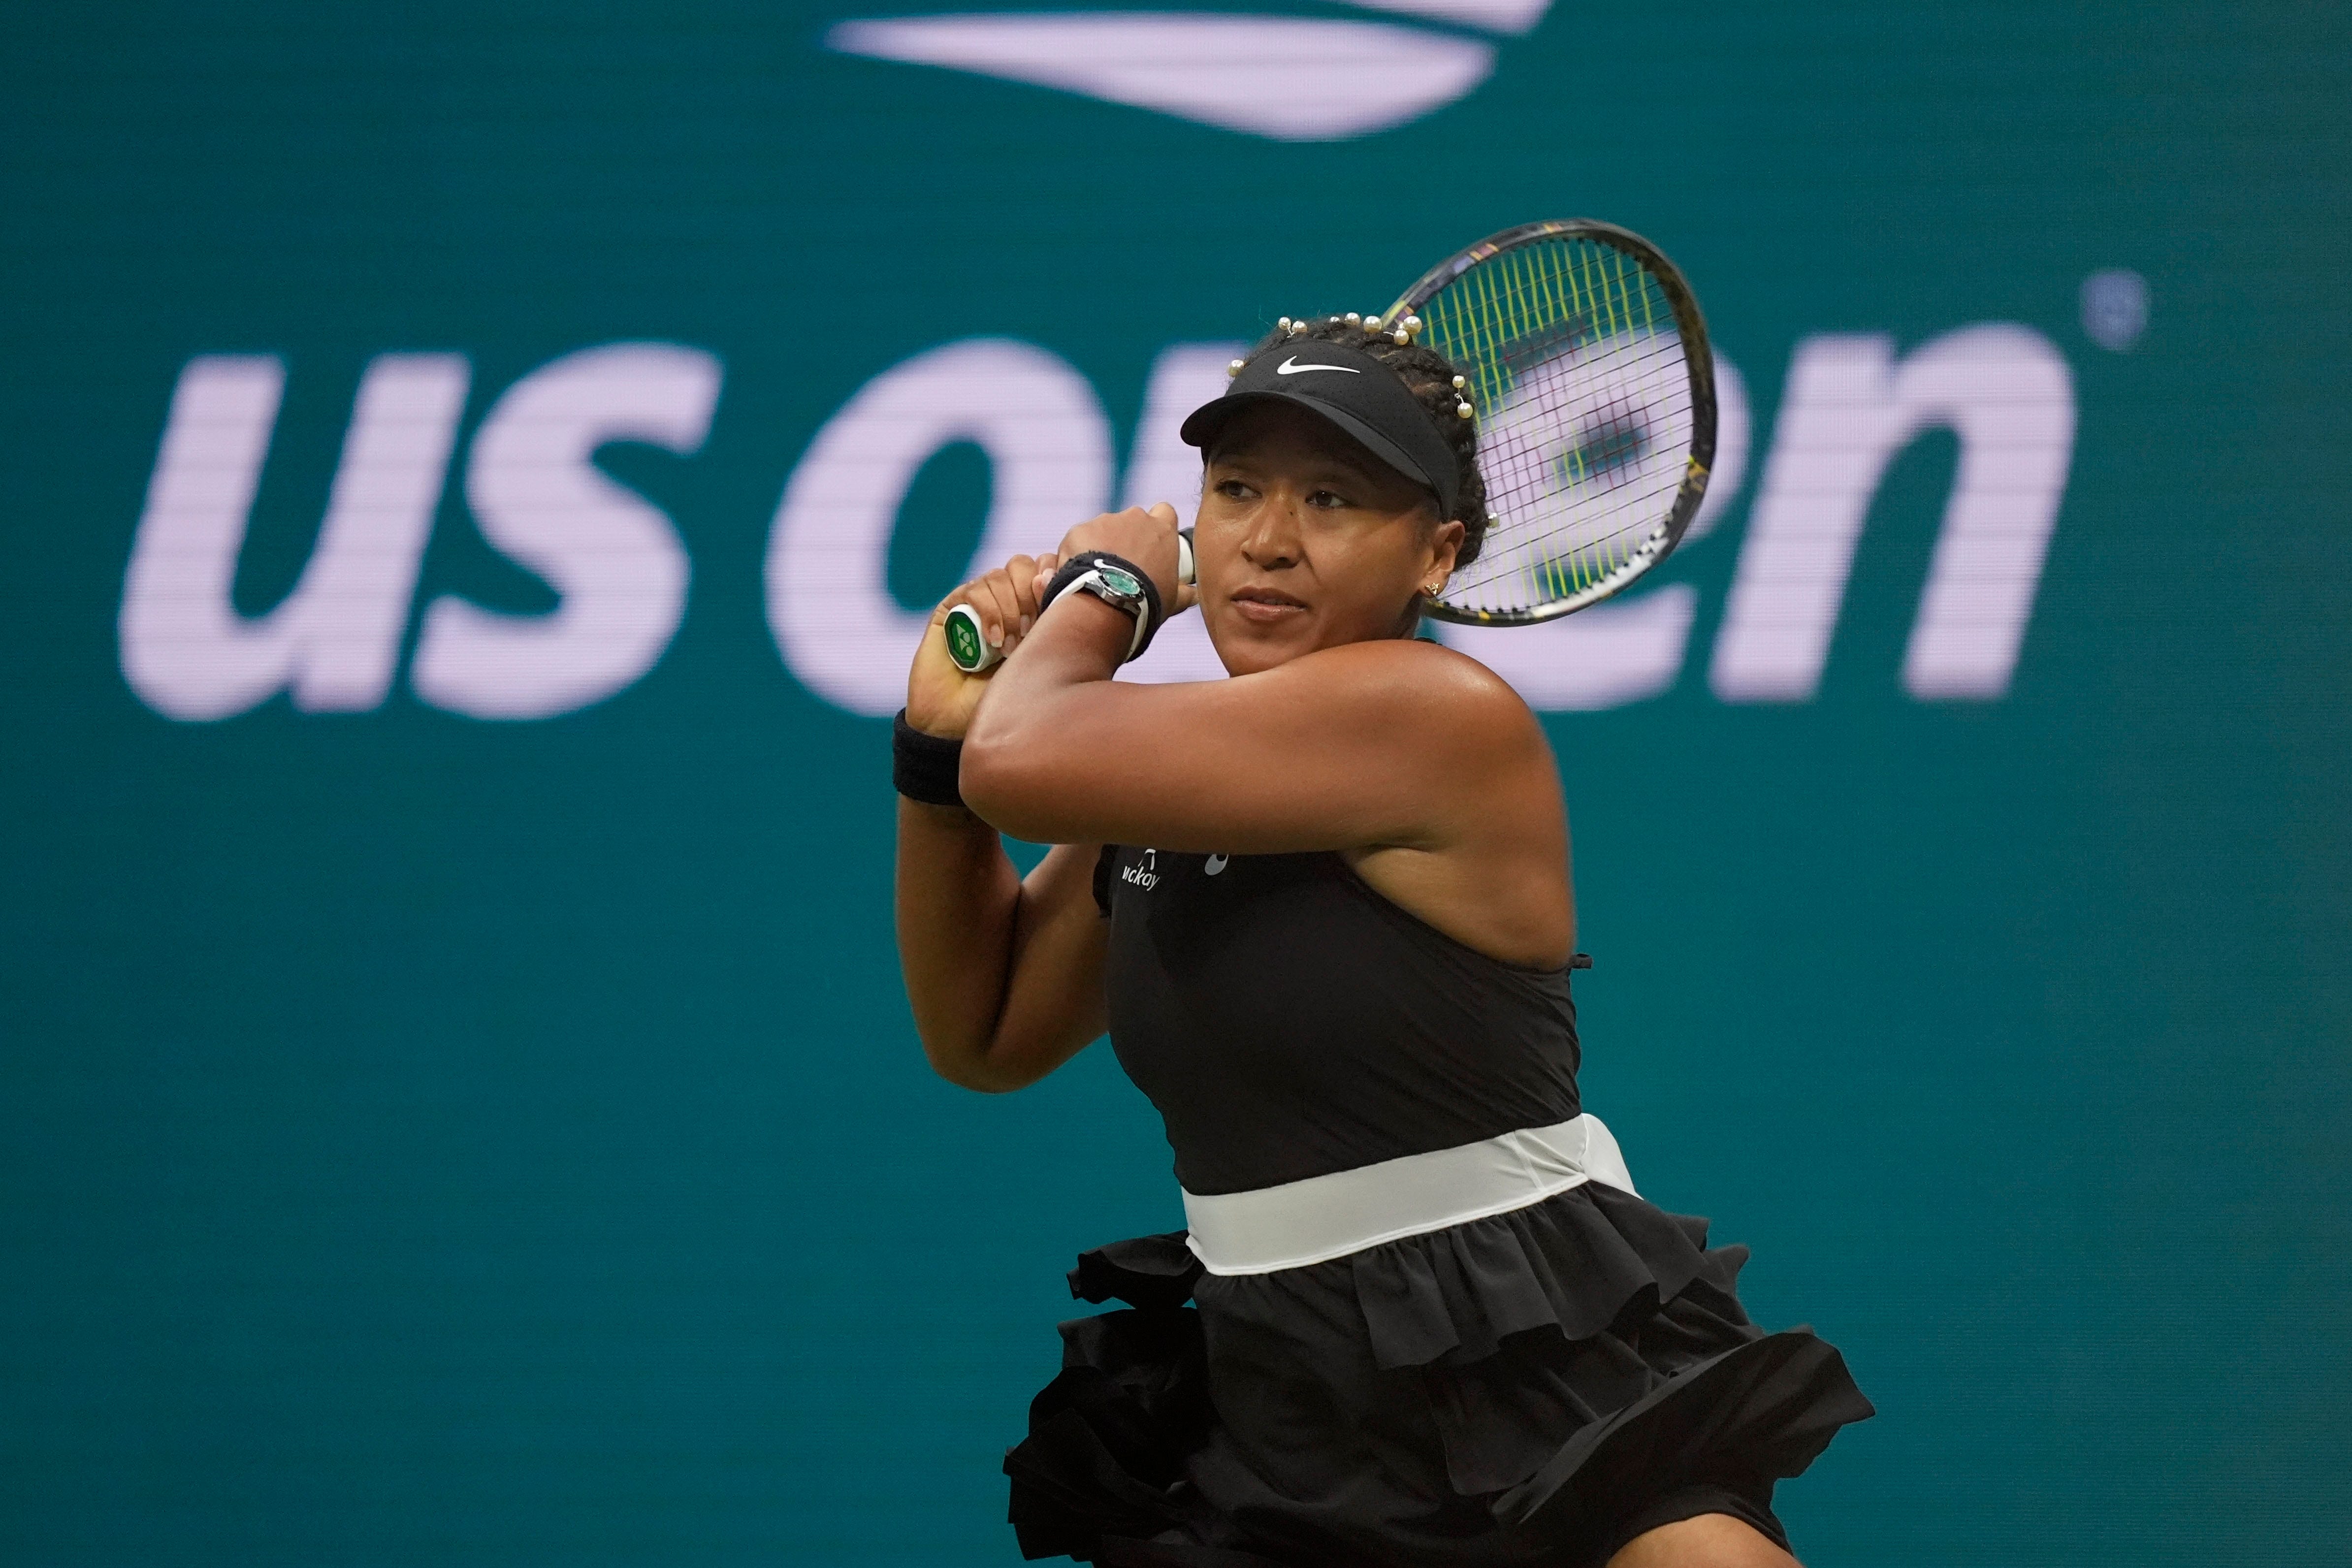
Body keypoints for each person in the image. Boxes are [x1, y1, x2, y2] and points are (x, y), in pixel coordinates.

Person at [891, 316, 1872, 1568]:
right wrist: (931, 761)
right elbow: (984, 1033)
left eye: (1332, 498)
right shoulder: (1175, 778)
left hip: (1530, 1366)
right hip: (1284, 1404)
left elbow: (1023, 759)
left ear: (1438, 553)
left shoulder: (1434, 716)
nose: (1270, 536)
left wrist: (1107, 586)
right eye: (1237, 489)